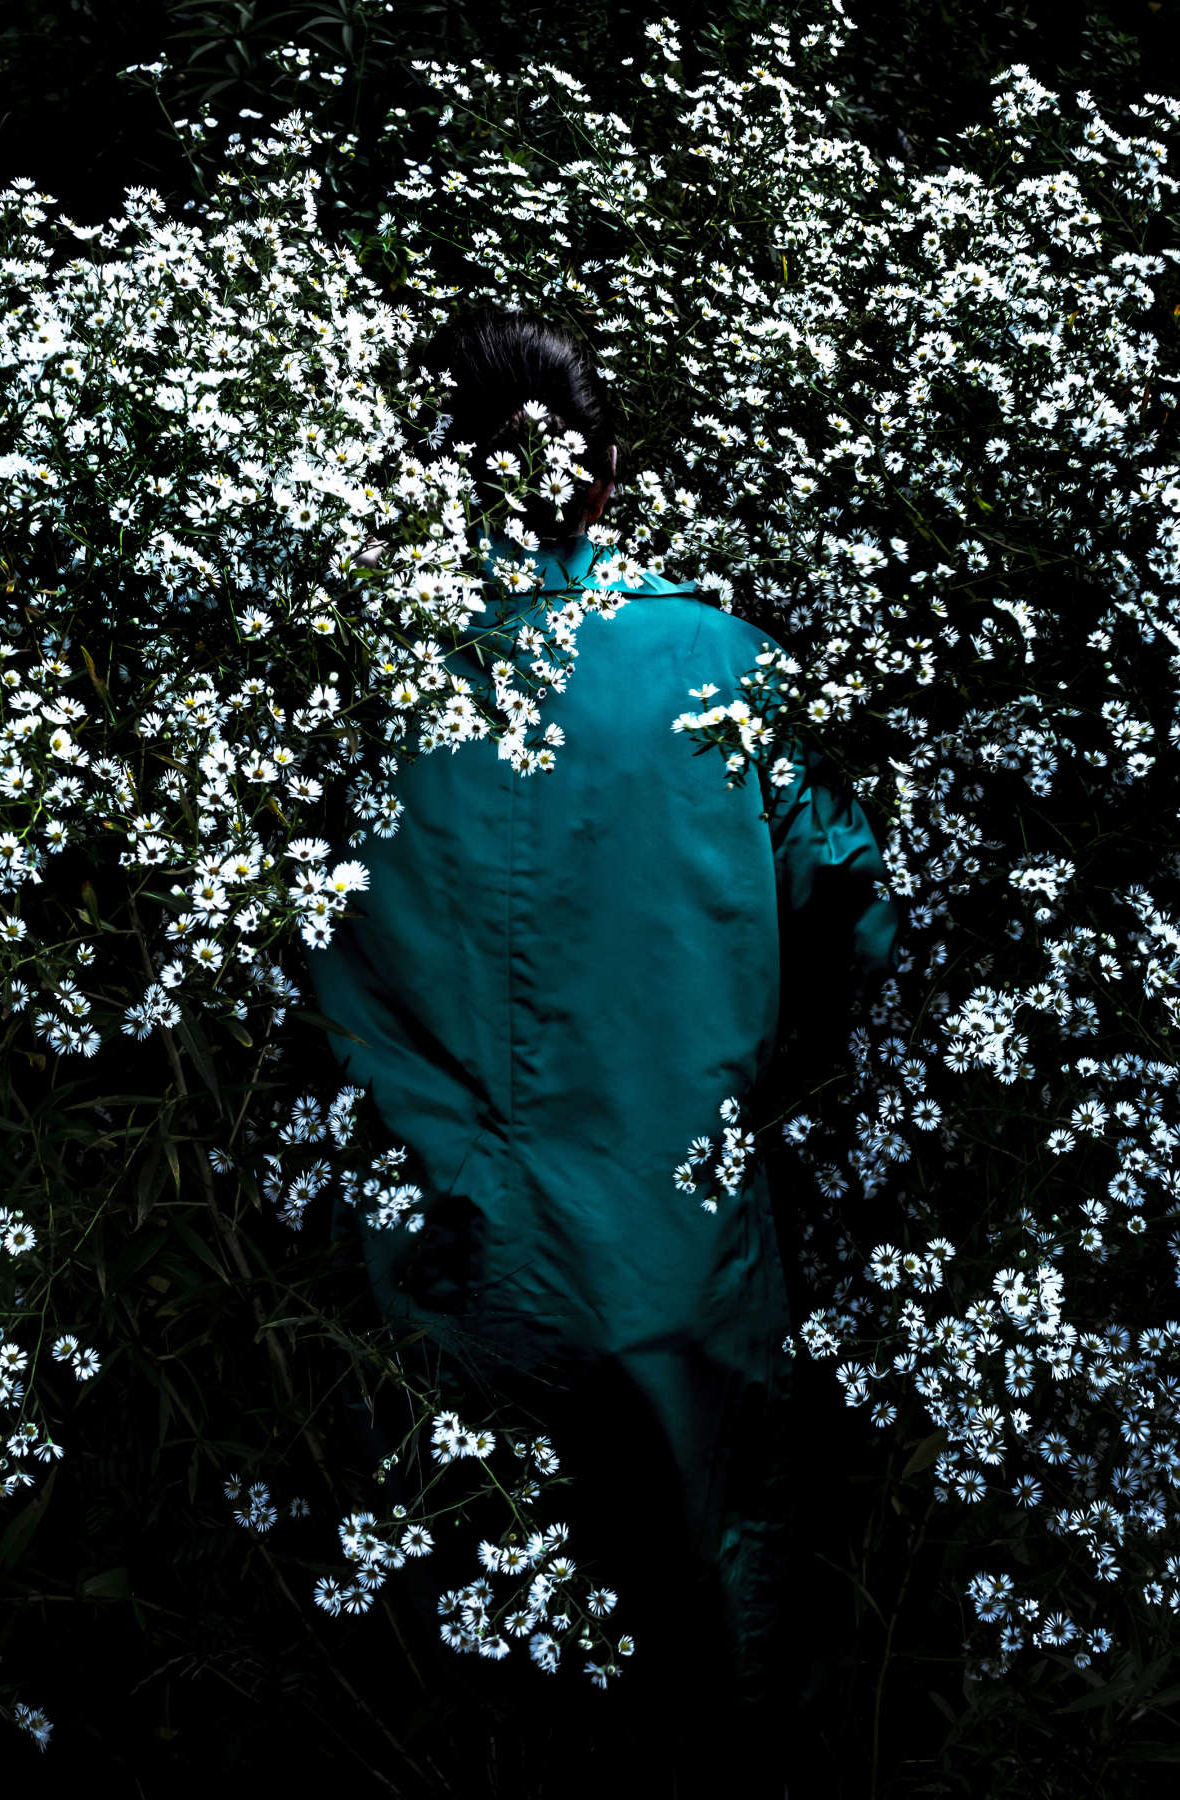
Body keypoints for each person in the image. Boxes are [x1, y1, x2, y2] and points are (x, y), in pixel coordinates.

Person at [300, 305, 903, 1795]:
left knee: (447, 1602)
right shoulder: (713, 663)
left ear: (422, 468)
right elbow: (848, 915)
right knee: (711, 1601)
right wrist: (771, 1073)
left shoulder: (350, 685)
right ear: (606, 470)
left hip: (433, 1237)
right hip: (666, 1226)